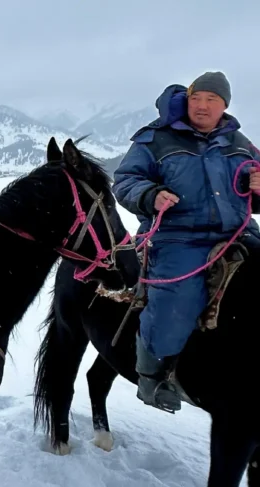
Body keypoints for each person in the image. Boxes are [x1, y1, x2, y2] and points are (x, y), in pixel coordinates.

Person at [113, 71, 260, 413]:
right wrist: (150, 195)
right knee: (176, 299)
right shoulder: (156, 139)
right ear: (186, 102)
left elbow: (253, 198)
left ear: (225, 105)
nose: (203, 106)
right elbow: (125, 180)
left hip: (238, 232)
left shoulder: (240, 144)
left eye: (212, 100)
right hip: (180, 237)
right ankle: (153, 377)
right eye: (197, 99)